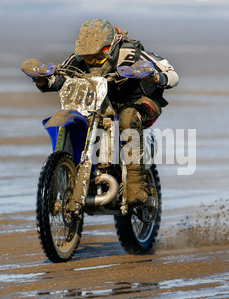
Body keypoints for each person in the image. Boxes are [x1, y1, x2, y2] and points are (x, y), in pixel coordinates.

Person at [23, 19, 179, 206]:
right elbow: (60, 79)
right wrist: (41, 78)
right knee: (77, 116)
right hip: (99, 103)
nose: (93, 62)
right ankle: (70, 171)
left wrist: (153, 75)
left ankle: (135, 185)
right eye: (89, 58)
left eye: (98, 58)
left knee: (128, 117)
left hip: (138, 101)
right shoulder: (80, 57)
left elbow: (172, 75)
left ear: (110, 47)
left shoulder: (131, 52)